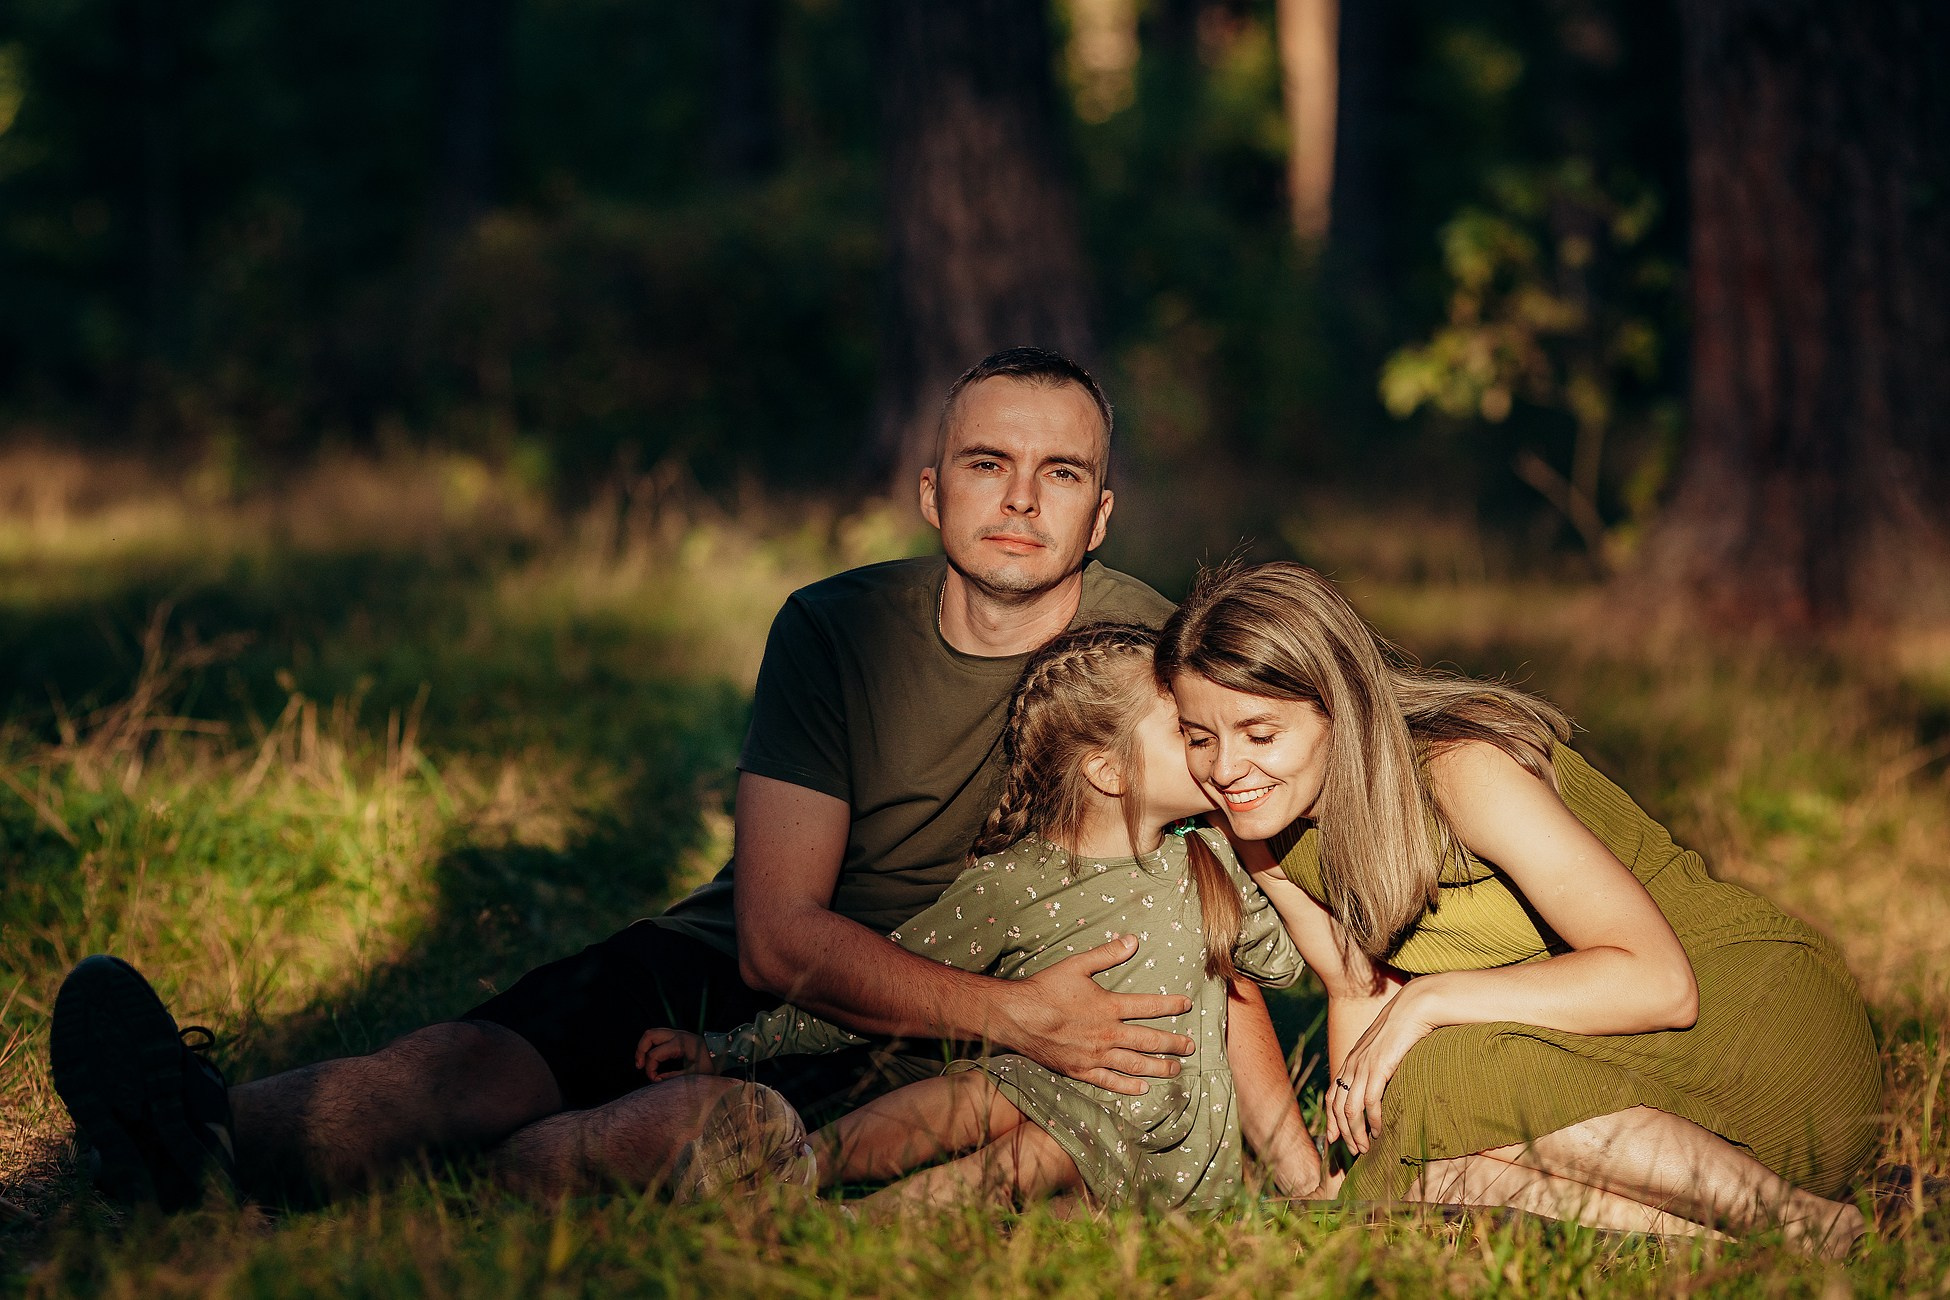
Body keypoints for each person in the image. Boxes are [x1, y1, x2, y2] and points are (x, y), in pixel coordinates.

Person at [48, 348, 1320, 1210]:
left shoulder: (1161, 650)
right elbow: (774, 938)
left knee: (711, 1133)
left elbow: (1291, 774)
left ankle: (504, 1177)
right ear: (934, 490)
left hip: (972, 1000)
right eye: (989, 464)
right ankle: (205, 1132)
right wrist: (1018, 1017)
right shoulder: (837, 630)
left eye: (1063, 475)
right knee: (477, 1060)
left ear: (1101, 514)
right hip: (785, 961)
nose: (1022, 502)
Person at [1155, 560, 1886, 1255]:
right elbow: (1356, 988)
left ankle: (1780, 1216)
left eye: (1260, 734)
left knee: (1440, 1070)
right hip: (1610, 1080)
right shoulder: (1263, 826)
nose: (1224, 769)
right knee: (1419, 1184)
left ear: (1339, 711)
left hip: (1753, 1024)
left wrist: (1430, 1002)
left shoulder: (1460, 770)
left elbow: (1663, 984)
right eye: (1198, 737)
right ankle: (1778, 1242)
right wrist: (1364, 1150)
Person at [636, 623, 1304, 1214]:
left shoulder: (1210, 858)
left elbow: (1283, 959)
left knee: (1040, 1145)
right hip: (1050, 1088)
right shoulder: (1012, 886)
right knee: (977, 1094)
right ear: (1107, 771)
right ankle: (793, 1168)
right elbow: (869, 983)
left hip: (1155, 1136)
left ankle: (855, 1224)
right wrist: (729, 1048)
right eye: (1190, 735)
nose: (1215, 756)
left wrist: (1258, 848)